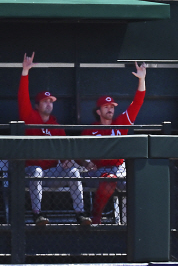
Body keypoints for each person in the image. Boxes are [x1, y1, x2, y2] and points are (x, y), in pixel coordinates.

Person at [18, 52, 89, 227]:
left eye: (51, 101)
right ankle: (38, 214)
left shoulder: (56, 125)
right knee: (36, 172)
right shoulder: (30, 117)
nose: (49, 104)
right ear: (37, 105)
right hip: (29, 171)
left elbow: (65, 149)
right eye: (45, 101)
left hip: (51, 172)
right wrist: (25, 72)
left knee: (73, 172)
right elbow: (22, 98)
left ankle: (80, 213)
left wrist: (67, 161)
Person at [82, 63, 146, 224]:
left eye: (112, 106)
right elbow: (76, 152)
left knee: (141, 181)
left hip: (119, 169)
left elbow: (137, 104)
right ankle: (96, 216)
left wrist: (142, 80)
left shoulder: (121, 123)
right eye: (106, 106)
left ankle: (140, 221)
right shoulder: (90, 130)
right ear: (98, 111)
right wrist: (86, 163)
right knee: (109, 178)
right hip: (96, 172)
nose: (110, 109)